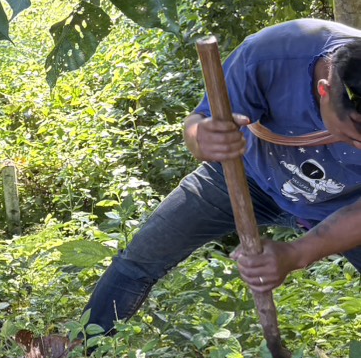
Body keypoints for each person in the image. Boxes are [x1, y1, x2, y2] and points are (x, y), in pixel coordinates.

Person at [85, 18, 361, 332]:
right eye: (355, 136)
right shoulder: (270, 55)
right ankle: (81, 350)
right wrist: (201, 137)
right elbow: (197, 124)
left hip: (345, 205)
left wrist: (297, 253)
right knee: (143, 256)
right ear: (324, 90)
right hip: (246, 176)